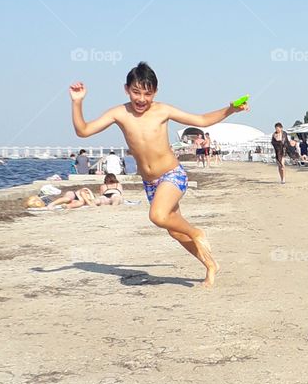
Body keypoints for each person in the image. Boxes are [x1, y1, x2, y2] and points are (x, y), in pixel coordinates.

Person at [69, 61, 248, 287]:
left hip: (172, 175)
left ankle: (197, 232)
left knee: (158, 216)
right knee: (175, 231)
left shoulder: (163, 110)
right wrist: (77, 102)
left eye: (147, 93)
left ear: (155, 92)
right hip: (150, 182)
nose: (141, 99)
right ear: (126, 89)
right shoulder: (119, 113)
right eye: (136, 92)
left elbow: (202, 120)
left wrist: (230, 109)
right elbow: (83, 131)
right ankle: (210, 265)